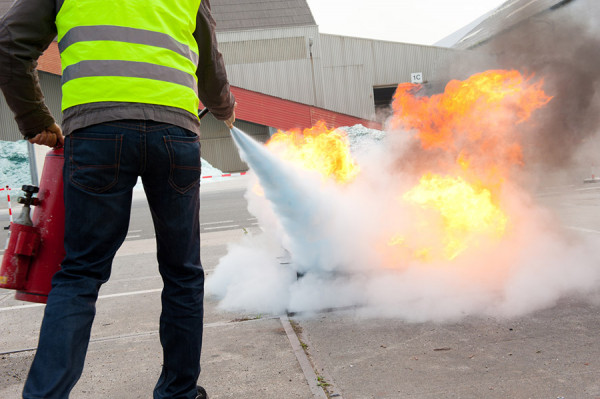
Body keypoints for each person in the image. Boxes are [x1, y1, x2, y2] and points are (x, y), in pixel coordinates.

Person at [0, 0, 236, 398]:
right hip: (174, 134)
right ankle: (178, 392)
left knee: (80, 273)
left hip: (96, 133)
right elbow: (209, 62)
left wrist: (36, 120)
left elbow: (8, 43)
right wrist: (224, 107)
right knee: (182, 272)